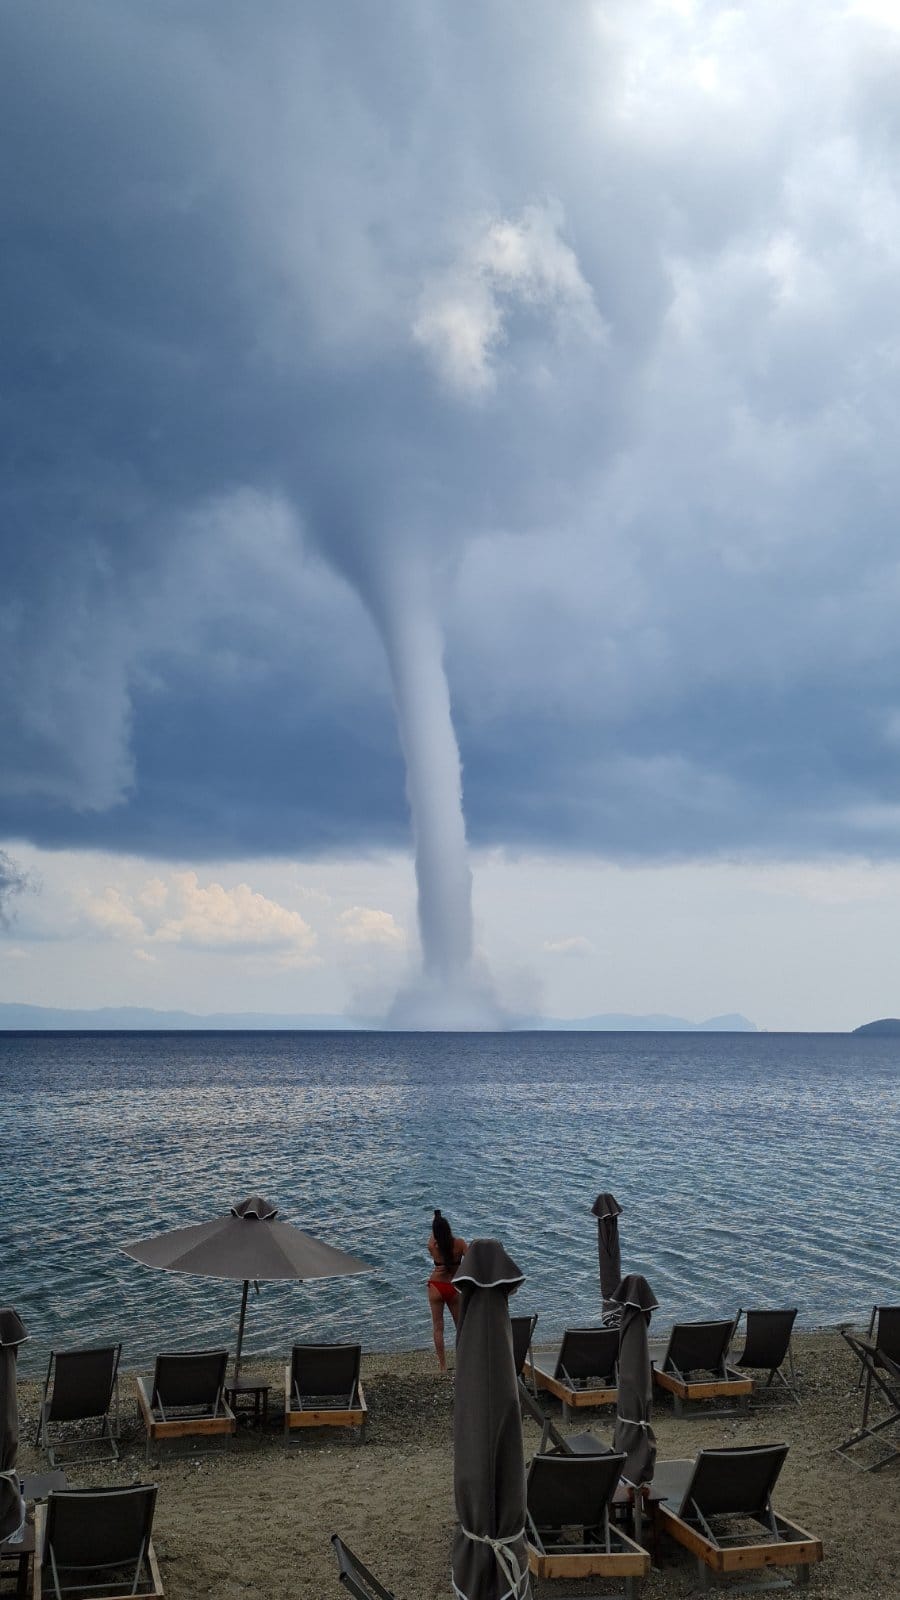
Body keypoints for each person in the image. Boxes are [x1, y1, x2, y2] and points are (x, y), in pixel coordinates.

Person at [426, 1208, 467, 1372]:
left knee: (438, 1327)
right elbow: (472, 1260)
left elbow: (435, 1238)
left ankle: (442, 1366)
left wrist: (435, 1224)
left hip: (436, 1286)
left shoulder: (432, 1246)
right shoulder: (460, 1244)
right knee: (460, 1326)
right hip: (453, 1286)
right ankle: (463, 1362)